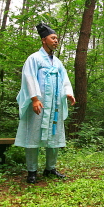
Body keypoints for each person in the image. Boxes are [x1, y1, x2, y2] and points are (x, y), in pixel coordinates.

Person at [15, 23, 75, 184]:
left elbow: (65, 80)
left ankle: (50, 168)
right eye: (53, 38)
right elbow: (29, 77)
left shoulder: (57, 62)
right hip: (39, 105)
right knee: (33, 137)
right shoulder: (34, 58)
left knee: (53, 137)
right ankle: (32, 171)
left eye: (57, 38)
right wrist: (34, 99)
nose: (56, 41)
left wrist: (68, 93)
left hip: (54, 105)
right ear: (44, 40)